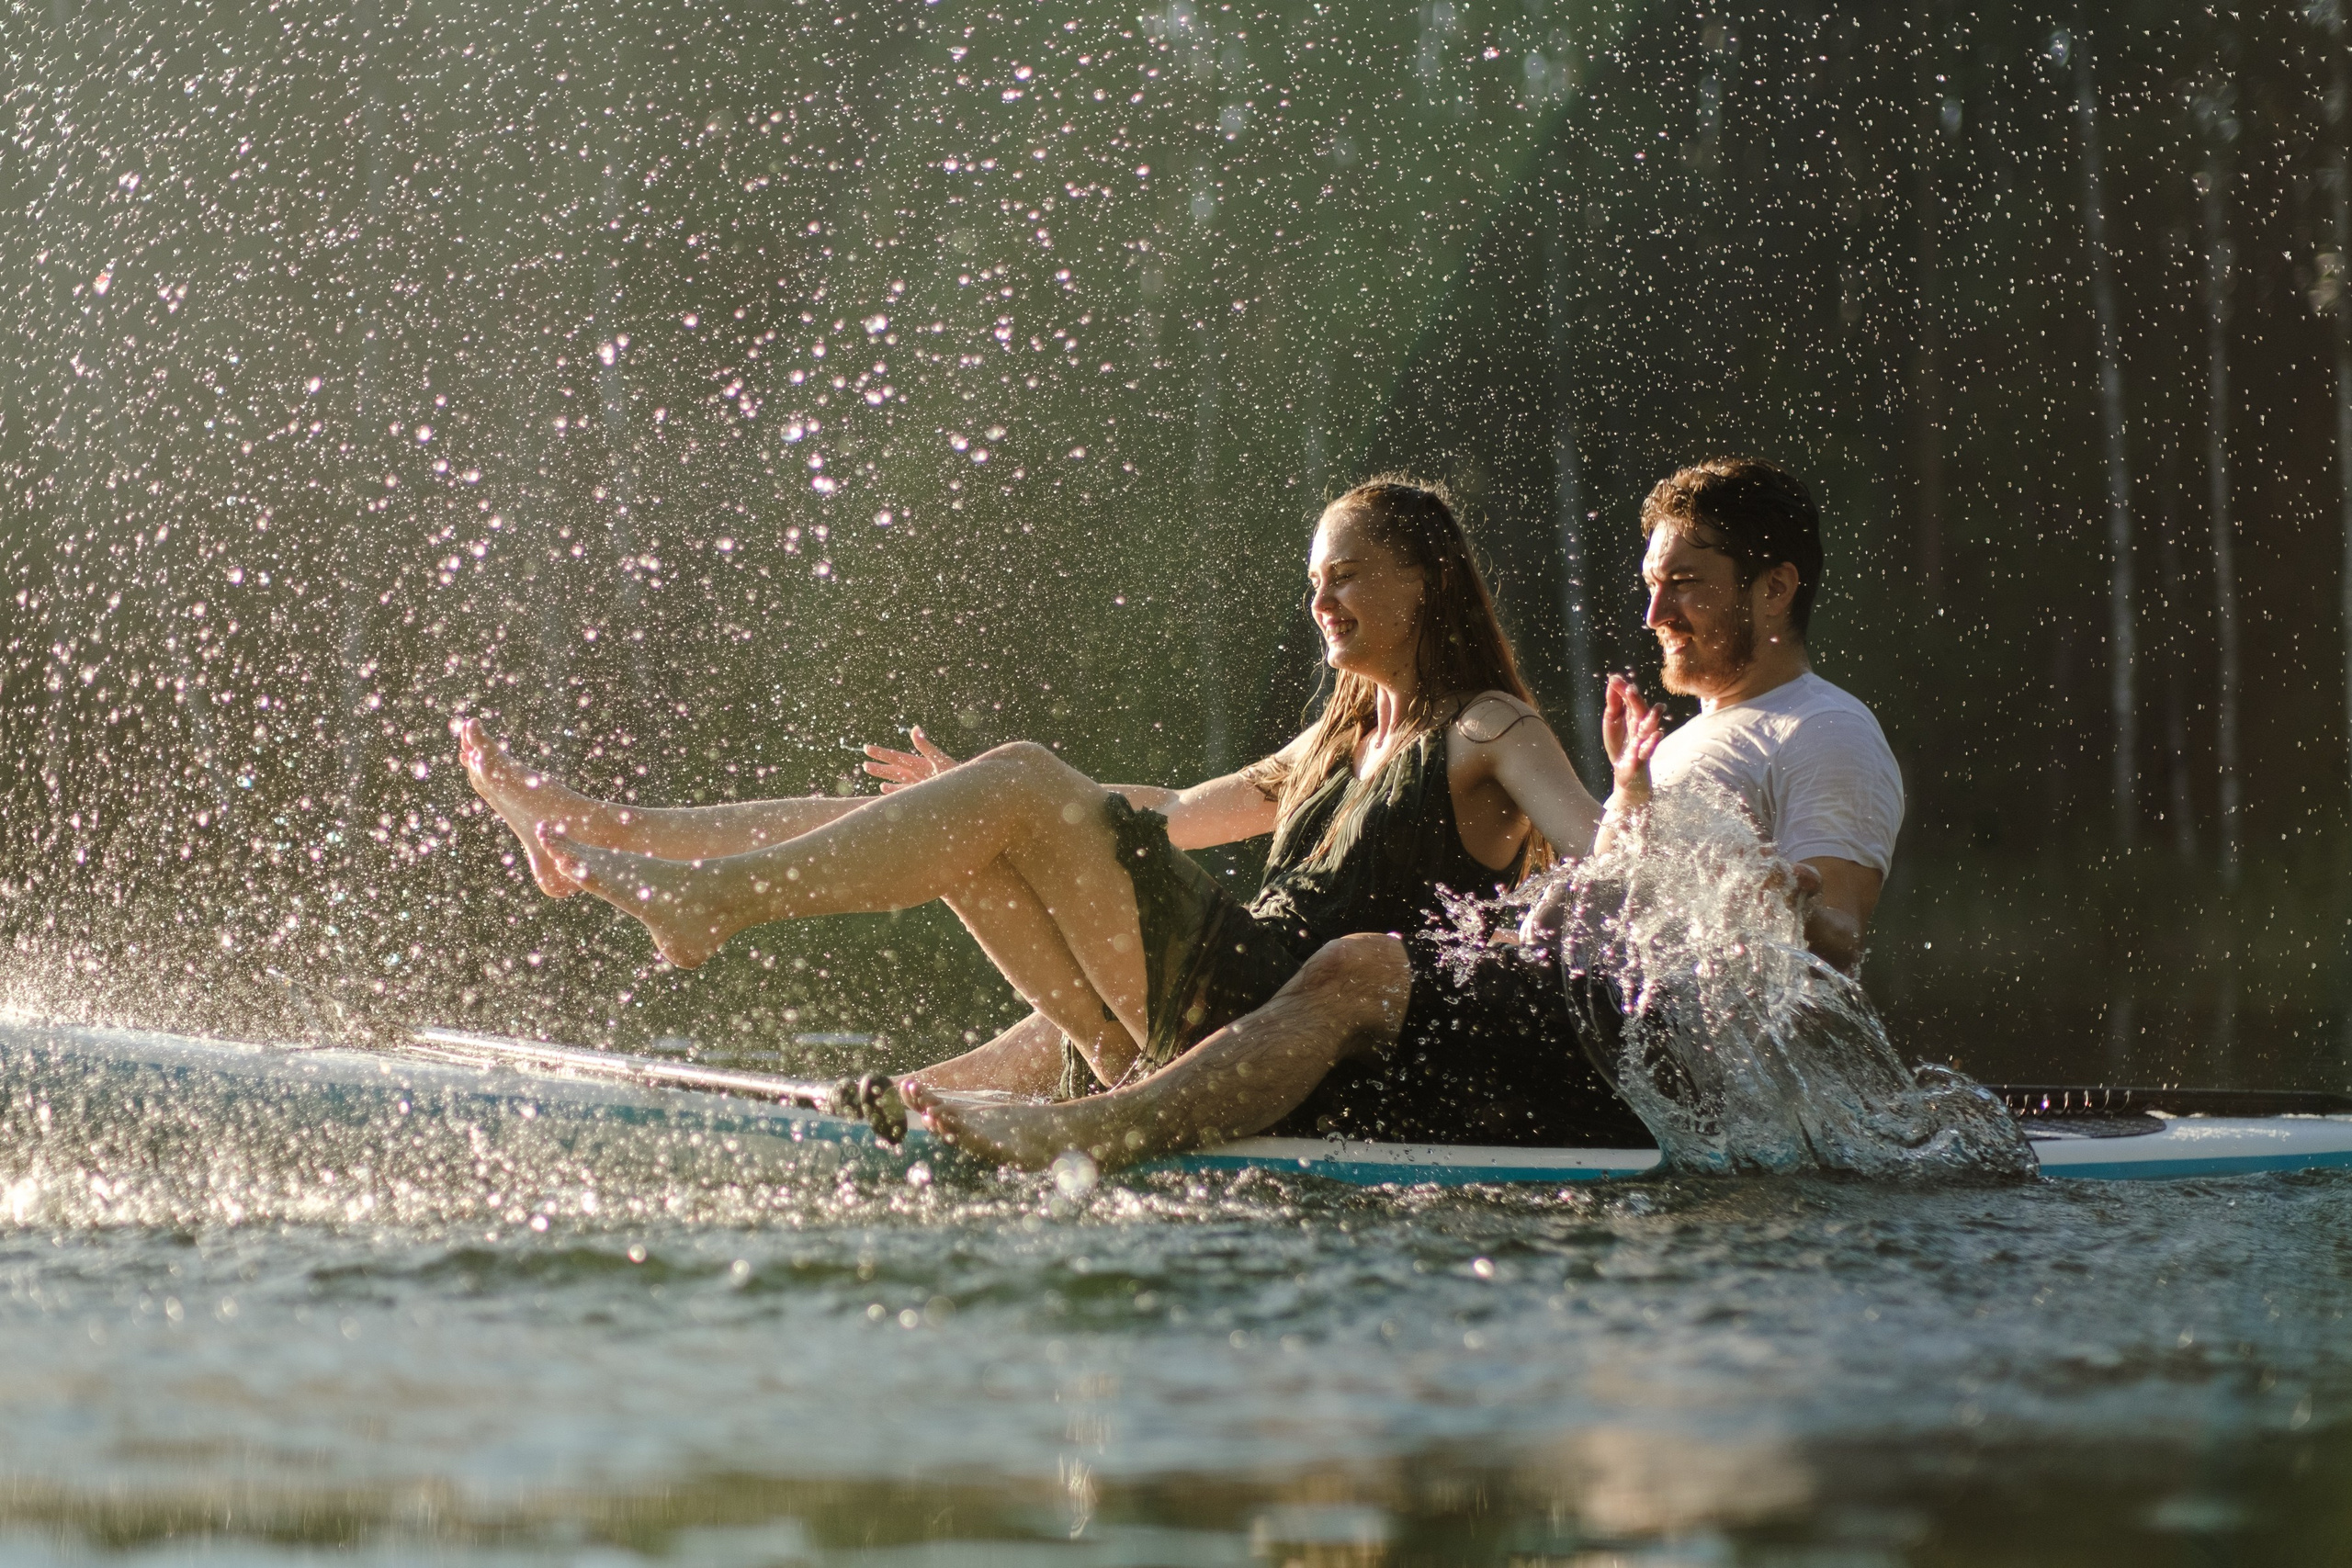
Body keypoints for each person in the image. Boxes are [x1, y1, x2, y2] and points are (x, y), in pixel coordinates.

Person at [460, 478, 1613, 1105]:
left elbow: (1600, 853)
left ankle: (710, 900)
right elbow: (1164, 809)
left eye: (1348, 575)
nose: (1323, 601)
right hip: (1217, 1000)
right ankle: (610, 829)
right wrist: (974, 795)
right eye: (1315, 582)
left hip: (1284, 1015)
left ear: (1427, 581)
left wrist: (1642, 805)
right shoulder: (1329, 739)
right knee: (969, 810)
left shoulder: (1487, 727)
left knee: (1008, 784)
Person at [908, 455, 1905, 1169]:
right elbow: (1616, 894)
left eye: (1682, 586)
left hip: (1658, 1087)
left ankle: (1102, 1128)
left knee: (1349, 964)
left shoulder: (1826, 733)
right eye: (1649, 587)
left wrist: (1771, 894)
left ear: (1776, 590)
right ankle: (949, 1096)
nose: (1652, 616)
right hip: (1599, 1027)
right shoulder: (1677, 742)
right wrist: (1632, 807)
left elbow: (1836, 939)